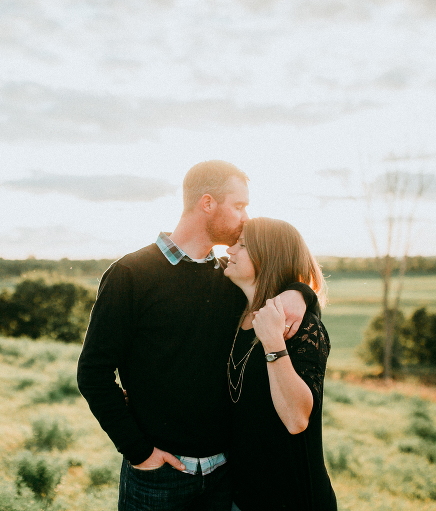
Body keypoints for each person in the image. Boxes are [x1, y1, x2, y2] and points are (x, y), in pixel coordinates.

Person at [77, 160, 316, 511]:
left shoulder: (229, 277)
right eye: (239, 206)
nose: (246, 217)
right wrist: (140, 452)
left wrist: (301, 293)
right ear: (207, 204)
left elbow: (282, 273)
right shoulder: (130, 274)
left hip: (225, 476)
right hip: (158, 475)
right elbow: (93, 373)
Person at [224, 217, 337, 511]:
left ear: (268, 257)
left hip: (292, 498)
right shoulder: (232, 315)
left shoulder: (299, 327)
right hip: (238, 496)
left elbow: (297, 419)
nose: (229, 250)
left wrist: (273, 342)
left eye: (242, 245)